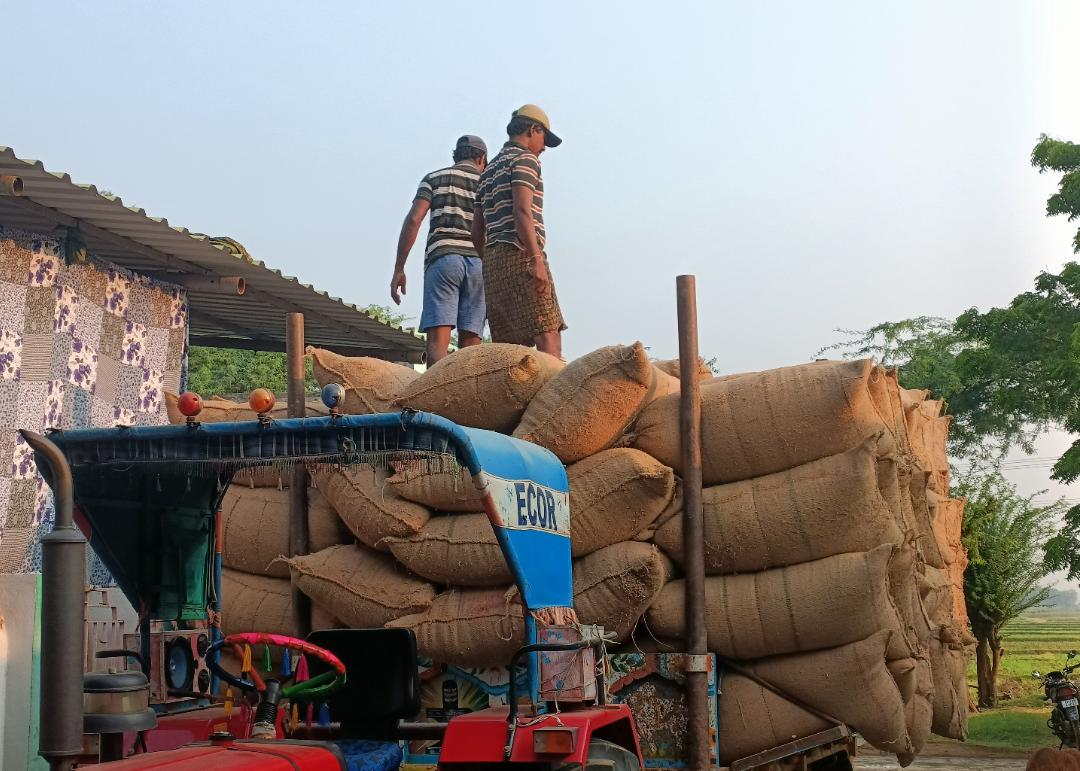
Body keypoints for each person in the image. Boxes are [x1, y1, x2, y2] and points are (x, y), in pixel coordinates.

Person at [472, 105, 565, 359]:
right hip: (522, 250)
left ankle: (514, 397)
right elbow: (522, 211)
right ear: (533, 129)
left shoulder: (488, 171)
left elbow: (476, 230)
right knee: (548, 333)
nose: (543, 147)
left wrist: (491, 260)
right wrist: (536, 258)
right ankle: (552, 397)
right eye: (544, 138)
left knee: (509, 347)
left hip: (493, 261)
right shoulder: (525, 159)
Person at [391, 135, 488, 365]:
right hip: (480, 264)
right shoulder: (488, 183)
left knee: (438, 341)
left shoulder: (434, 179)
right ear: (481, 158)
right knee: (471, 344)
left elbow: (414, 220)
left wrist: (399, 268)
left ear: (456, 154)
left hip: (443, 259)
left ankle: (435, 399)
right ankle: (466, 398)